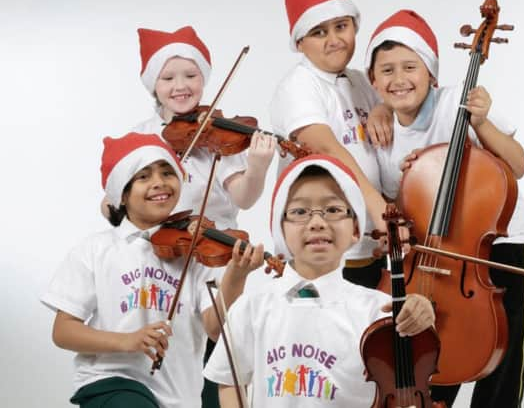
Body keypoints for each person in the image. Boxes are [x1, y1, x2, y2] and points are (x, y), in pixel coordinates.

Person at [365, 9, 524, 408]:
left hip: (501, 245)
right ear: (373, 82)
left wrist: (481, 124)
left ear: (431, 73)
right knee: (433, 359)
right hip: (434, 257)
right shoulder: (382, 130)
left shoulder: (457, 100)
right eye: (386, 70)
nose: (399, 78)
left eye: (410, 66)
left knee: (503, 363)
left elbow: (518, 165)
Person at [42, 132, 264, 408]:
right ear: (121, 194)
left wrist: (237, 275)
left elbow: (215, 328)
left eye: (167, 172)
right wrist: (128, 341)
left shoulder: (194, 252)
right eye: (143, 176)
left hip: (179, 395)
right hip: (111, 382)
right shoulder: (96, 250)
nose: (159, 183)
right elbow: (63, 332)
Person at [203, 154, 436, 407]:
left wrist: (421, 317)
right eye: (300, 211)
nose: (317, 223)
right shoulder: (251, 308)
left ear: (356, 229)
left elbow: (414, 370)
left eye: (333, 210)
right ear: (280, 229)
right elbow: (229, 381)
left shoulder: (378, 310)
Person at [270, 0, 394, 289]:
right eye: (319, 32)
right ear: (300, 42)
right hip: (319, 252)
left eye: (341, 26)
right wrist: (374, 203)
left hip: (368, 247)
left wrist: (385, 108)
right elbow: (324, 146)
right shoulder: (297, 85)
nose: (335, 40)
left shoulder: (361, 81)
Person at [121, 26, 276, 230]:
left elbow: (244, 199)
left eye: (191, 76)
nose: (180, 86)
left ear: (203, 78)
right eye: (168, 78)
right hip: (155, 249)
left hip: (212, 248)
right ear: (153, 85)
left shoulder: (219, 137)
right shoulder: (140, 136)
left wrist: (257, 168)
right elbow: (111, 203)